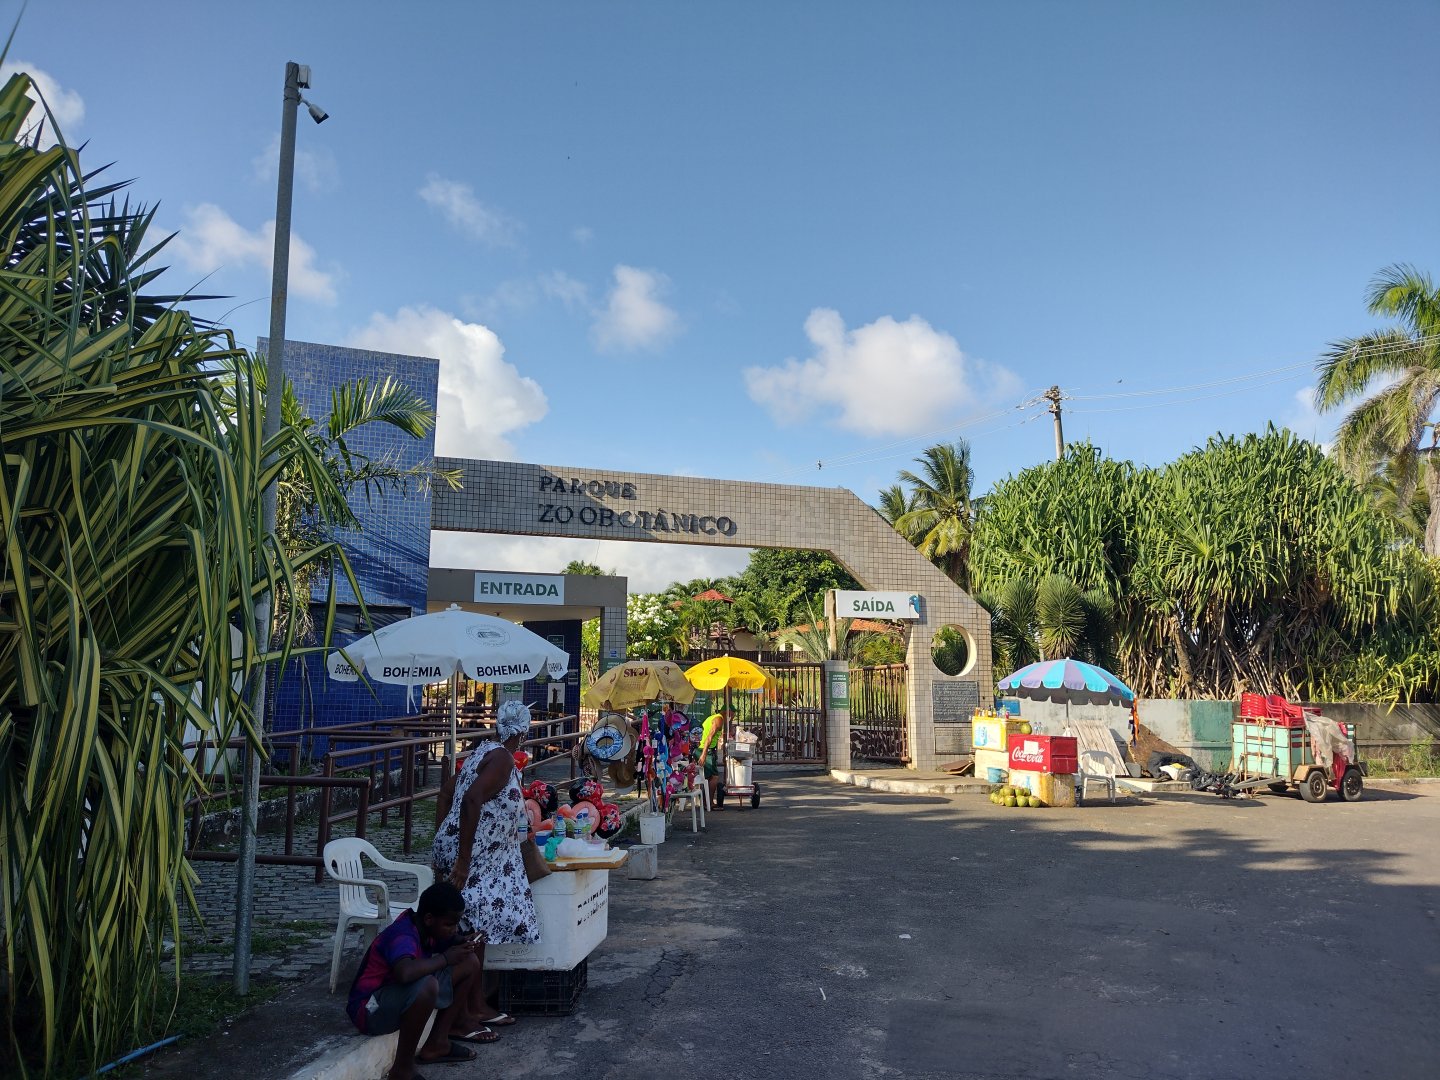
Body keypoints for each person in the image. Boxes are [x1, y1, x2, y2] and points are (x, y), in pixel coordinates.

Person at [432, 699, 540, 1029]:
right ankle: (469, 1009)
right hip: (475, 857)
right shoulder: (503, 758)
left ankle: (474, 1003)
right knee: (475, 926)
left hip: (479, 854)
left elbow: (445, 794)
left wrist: (442, 840)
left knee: (476, 926)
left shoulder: (481, 752)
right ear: (521, 732)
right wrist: (461, 860)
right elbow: (471, 798)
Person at [345, 881, 494, 1080]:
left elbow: (444, 941)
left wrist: (462, 941)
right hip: (369, 1009)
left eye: (456, 923)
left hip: (395, 996)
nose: (454, 929)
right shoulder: (403, 935)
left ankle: (438, 1043)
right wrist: (445, 959)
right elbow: (404, 973)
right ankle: (402, 1070)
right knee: (427, 986)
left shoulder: (425, 926)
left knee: (469, 962)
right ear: (429, 919)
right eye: (450, 924)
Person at [698, 707, 731, 809]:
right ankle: (709, 803)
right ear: (728, 712)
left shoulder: (714, 717)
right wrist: (704, 755)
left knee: (709, 777)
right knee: (714, 777)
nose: (732, 717)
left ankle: (706, 801)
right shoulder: (719, 720)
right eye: (733, 714)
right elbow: (709, 737)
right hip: (706, 749)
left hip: (706, 749)